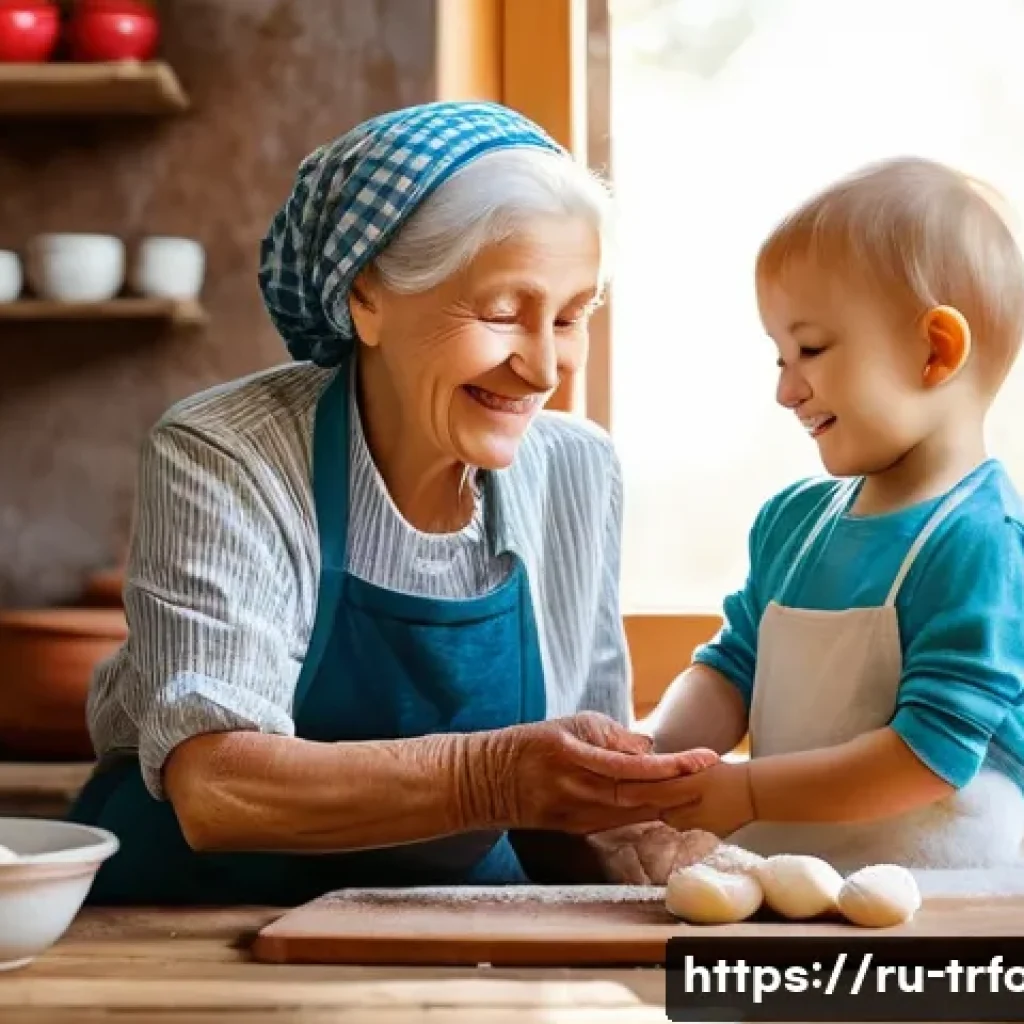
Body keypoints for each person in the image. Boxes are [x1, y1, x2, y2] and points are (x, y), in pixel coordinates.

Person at [66, 100, 720, 906]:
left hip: (460, 929)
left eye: (571, 315)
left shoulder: (577, 471)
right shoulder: (226, 451)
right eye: (504, 312)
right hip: (191, 927)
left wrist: (647, 844)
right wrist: (491, 778)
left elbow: (571, 799)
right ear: (366, 297)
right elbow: (218, 786)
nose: (547, 368)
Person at [628, 156, 1024, 870]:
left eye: (808, 349)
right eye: (778, 356)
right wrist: (652, 754)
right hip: (799, 879)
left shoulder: (981, 543)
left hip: (945, 901)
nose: (786, 390)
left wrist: (747, 792)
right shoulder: (792, 522)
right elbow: (731, 671)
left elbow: (928, 755)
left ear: (935, 352)